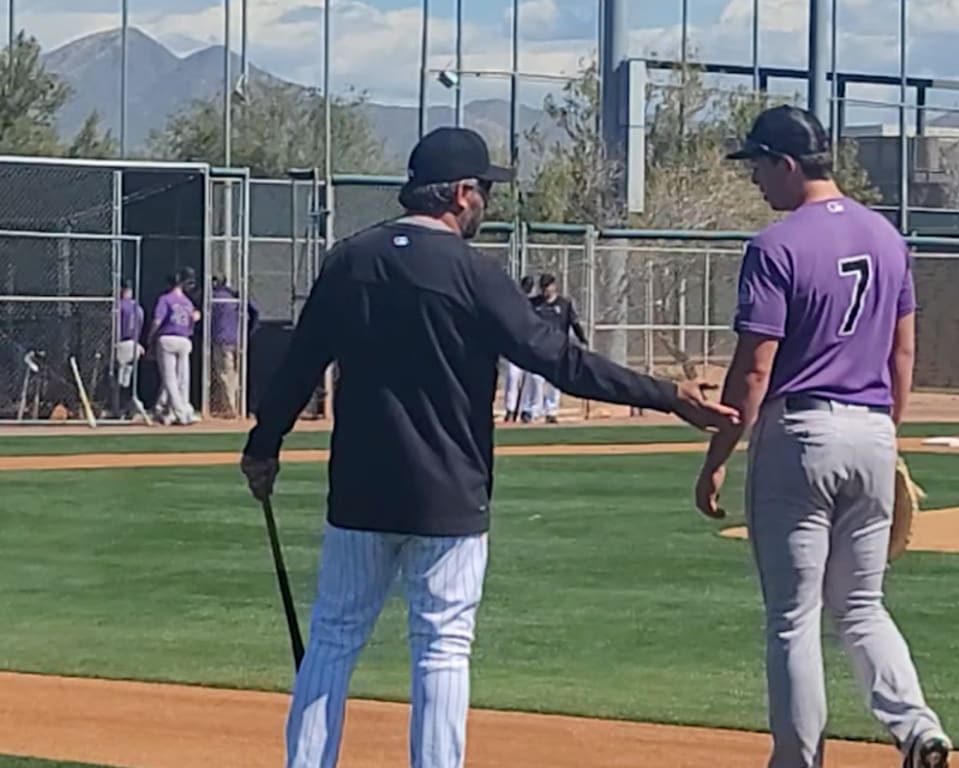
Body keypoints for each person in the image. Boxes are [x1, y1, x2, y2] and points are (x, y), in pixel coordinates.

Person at [238, 126, 738, 768]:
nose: (486, 205)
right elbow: (560, 360)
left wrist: (263, 448)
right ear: (462, 194)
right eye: (484, 193)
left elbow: (299, 366)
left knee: (332, 640)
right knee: (442, 648)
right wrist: (668, 395)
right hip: (449, 492)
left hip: (360, 489)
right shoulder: (473, 274)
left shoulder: (348, 260)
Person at [693, 104, 951, 768]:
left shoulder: (776, 246)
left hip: (801, 432)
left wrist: (717, 457)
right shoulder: (889, 236)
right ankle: (917, 726)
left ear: (786, 163)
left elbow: (755, 368)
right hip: (871, 429)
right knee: (862, 606)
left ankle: (797, 761)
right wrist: (886, 436)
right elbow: (903, 356)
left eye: (757, 165)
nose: (754, 180)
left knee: (793, 617)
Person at [519, 273, 589, 423]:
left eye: (547, 287)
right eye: (542, 287)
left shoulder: (564, 304)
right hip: (537, 347)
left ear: (553, 286)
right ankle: (531, 410)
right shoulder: (534, 303)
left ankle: (551, 412)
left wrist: (582, 339)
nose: (545, 291)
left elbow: (574, 323)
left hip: (557, 347)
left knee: (554, 382)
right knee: (535, 379)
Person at [147, 272, 201, 426]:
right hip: (184, 340)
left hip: (167, 338)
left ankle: (181, 412)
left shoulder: (165, 299)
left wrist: (150, 338)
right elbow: (193, 321)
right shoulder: (188, 302)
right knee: (182, 378)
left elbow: (158, 321)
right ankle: (172, 410)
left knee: (169, 379)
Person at [210, 276, 261, 419]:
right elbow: (255, 312)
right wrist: (250, 331)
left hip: (222, 340)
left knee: (225, 374)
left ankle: (231, 407)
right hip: (238, 339)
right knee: (236, 374)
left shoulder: (215, 297)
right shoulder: (235, 296)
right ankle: (236, 406)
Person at [501, 275, 537, 422]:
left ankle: (527, 410)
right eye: (525, 286)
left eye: (529, 287)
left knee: (532, 379)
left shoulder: (535, 304)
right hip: (515, 345)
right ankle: (510, 410)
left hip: (531, 345)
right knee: (512, 376)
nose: (526, 289)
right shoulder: (512, 302)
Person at [114, 282, 145, 415]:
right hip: (135, 344)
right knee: (128, 378)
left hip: (122, 343)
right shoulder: (138, 307)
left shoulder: (119, 305)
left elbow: (115, 326)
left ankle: (120, 409)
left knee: (118, 380)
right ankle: (129, 407)